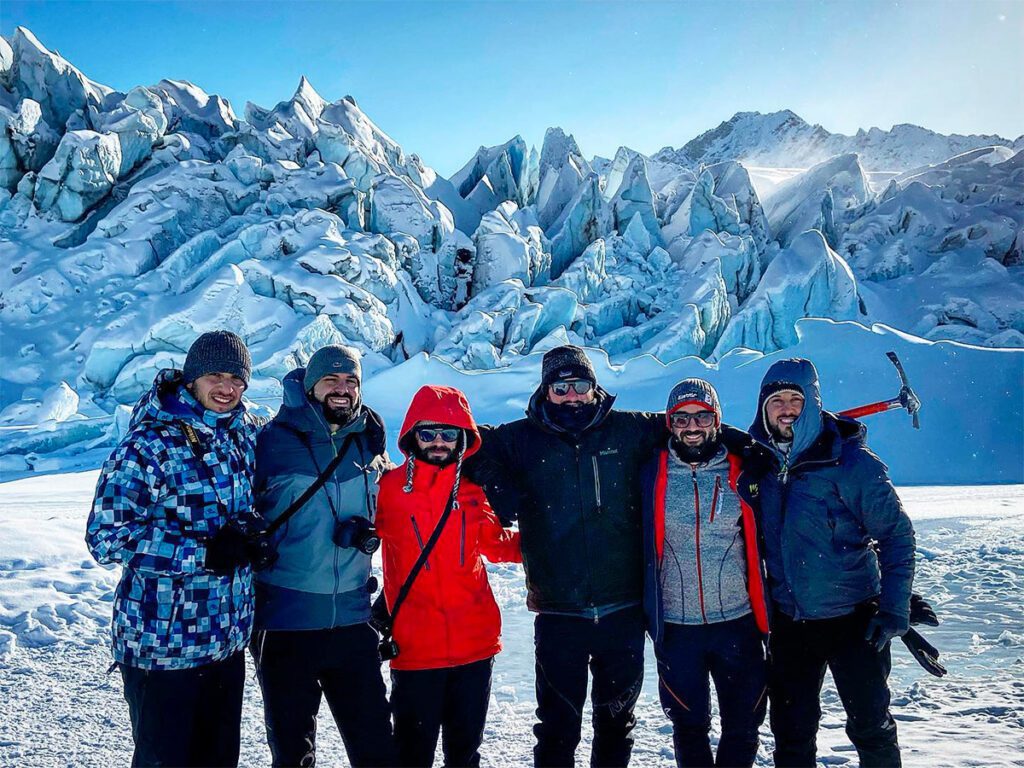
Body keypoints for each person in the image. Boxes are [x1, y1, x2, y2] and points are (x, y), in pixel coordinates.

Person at [467, 344, 667, 768]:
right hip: (558, 613)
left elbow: (696, 424)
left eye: (580, 386)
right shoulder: (520, 439)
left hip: (623, 610)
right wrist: (499, 484)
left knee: (617, 722)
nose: (572, 396)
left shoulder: (629, 430)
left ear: (595, 388)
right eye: (561, 388)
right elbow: (465, 442)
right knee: (557, 726)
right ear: (546, 390)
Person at [86, 330, 262, 768]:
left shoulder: (241, 436)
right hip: (163, 647)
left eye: (237, 379)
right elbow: (105, 536)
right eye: (216, 375)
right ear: (191, 379)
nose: (227, 388)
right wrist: (200, 554)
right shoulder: (148, 446)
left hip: (224, 642)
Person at [747, 358, 916, 768]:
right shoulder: (759, 463)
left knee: (870, 726)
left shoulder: (854, 465)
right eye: (777, 400)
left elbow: (896, 535)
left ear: (814, 403)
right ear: (763, 406)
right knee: (790, 730)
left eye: (796, 399)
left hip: (853, 619)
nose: (786, 408)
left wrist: (895, 608)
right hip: (790, 621)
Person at [251, 344, 397, 767]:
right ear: (310, 385)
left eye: (351, 381)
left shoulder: (369, 441)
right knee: (293, 754)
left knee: (376, 750)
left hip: (352, 623)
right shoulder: (271, 443)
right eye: (331, 379)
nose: (342, 389)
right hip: (285, 625)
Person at [376, 384, 521, 768]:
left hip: (476, 644)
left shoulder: (473, 491)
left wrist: (553, 542)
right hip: (415, 649)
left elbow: (497, 544)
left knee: (465, 754)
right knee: (412, 754)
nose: (438, 442)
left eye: (449, 433)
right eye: (428, 433)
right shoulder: (388, 490)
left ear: (464, 439)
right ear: (411, 436)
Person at [640, 379, 769, 768]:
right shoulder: (649, 472)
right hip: (678, 629)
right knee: (688, 726)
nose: (691, 426)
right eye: (681, 418)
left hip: (738, 622)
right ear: (669, 422)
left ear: (717, 420)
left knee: (743, 726)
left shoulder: (745, 469)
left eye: (702, 416)